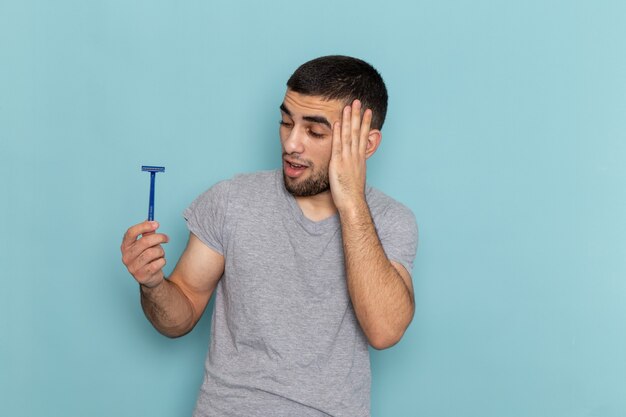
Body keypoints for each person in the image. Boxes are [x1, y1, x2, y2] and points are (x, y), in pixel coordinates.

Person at [121, 55, 418, 417]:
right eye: (286, 122)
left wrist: (352, 202)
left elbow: (385, 331)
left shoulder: (390, 220)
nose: (291, 143)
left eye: (315, 132)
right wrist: (152, 285)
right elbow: (179, 316)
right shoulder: (231, 200)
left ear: (366, 145)